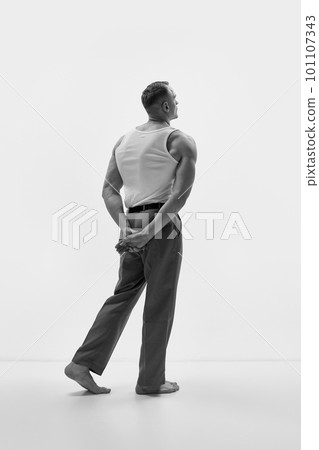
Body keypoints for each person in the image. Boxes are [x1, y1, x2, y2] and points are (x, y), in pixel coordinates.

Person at [64, 81, 197, 395]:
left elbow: (109, 190)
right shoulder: (180, 141)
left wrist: (128, 230)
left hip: (132, 220)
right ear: (165, 106)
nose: (178, 103)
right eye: (175, 99)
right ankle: (150, 381)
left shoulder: (123, 141)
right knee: (159, 303)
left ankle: (81, 364)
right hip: (162, 224)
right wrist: (148, 233)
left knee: (122, 295)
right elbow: (179, 196)